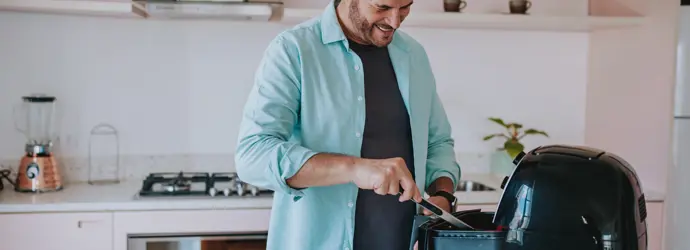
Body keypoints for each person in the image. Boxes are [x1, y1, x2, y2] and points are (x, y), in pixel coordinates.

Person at [234, 0, 461, 249]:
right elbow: (253, 154)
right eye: (382, 7)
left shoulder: (413, 55)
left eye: (405, 7)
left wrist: (443, 195)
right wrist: (354, 168)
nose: (394, 21)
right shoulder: (293, 50)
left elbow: (438, 142)